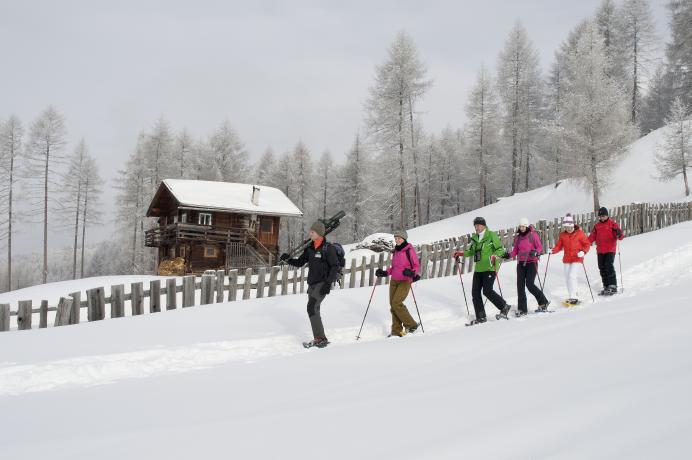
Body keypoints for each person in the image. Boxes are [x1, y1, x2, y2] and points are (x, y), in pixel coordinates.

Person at [280, 221, 339, 348]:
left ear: (318, 233)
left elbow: (335, 266)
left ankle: (320, 338)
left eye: (312, 232)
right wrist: (288, 259)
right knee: (314, 310)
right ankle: (320, 338)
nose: (310, 233)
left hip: (322, 283)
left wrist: (328, 284)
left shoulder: (328, 248)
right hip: (312, 284)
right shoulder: (310, 248)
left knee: (311, 307)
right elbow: (300, 262)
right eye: (310, 231)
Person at [453, 217, 511, 325]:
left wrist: (495, 255)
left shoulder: (491, 235)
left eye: (478, 225)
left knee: (487, 291)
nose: (477, 227)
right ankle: (481, 317)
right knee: (475, 293)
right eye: (475, 226)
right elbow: (471, 252)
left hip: (490, 267)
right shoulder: (475, 238)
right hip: (479, 268)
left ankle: (504, 306)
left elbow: (500, 249)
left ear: (484, 225)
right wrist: (460, 253)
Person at [375, 229, 420, 337]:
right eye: (395, 238)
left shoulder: (409, 250)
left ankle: (411, 324)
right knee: (393, 305)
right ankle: (396, 331)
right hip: (394, 281)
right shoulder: (396, 250)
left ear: (404, 238)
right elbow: (394, 268)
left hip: (405, 281)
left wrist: (411, 272)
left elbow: (416, 266)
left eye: (399, 238)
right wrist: (385, 272)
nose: (397, 240)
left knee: (396, 303)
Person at [503, 217, 550, 316]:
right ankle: (522, 309)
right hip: (521, 264)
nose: (522, 228)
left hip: (532, 262)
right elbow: (515, 251)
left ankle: (543, 302)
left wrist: (536, 252)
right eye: (520, 226)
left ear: (527, 226)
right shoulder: (518, 237)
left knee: (530, 284)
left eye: (523, 226)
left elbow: (539, 247)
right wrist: (508, 255)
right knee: (520, 286)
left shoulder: (533, 235)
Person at [551, 214, 591, 306]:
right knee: (567, 277)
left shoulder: (579, 233)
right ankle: (571, 296)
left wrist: (583, 252)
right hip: (567, 259)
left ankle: (574, 297)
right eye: (566, 227)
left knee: (572, 275)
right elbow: (559, 246)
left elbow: (587, 244)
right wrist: (552, 251)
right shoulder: (562, 235)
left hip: (577, 257)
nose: (567, 228)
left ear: (572, 225)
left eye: (569, 226)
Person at [588, 207, 624, 296]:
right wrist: (585, 243)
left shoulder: (612, 224)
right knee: (602, 268)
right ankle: (606, 286)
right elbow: (592, 237)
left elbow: (621, 236)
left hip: (610, 249)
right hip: (600, 251)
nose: (602, 218)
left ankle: (613, 286)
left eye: (604, 216)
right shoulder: (597, 226)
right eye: (600, 216)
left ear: (607, 215)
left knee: (609, 266)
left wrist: (619, 233)